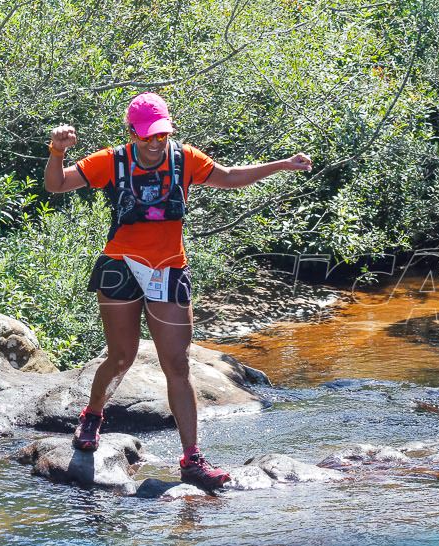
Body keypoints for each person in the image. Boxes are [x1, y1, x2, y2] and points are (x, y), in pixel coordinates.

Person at [44, 92, 312, 490]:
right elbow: (56, 184)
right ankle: (93, 416)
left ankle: (192, 460)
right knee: (121, 357)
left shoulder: (185, 158)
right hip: (121, 268)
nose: (156, 142)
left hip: (168, 270)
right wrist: (56, 151)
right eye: (148, 136)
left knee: (178, 364)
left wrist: (283, 165)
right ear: (133, 133)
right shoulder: (111, 161)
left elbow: (231, 177)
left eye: (162, 134)